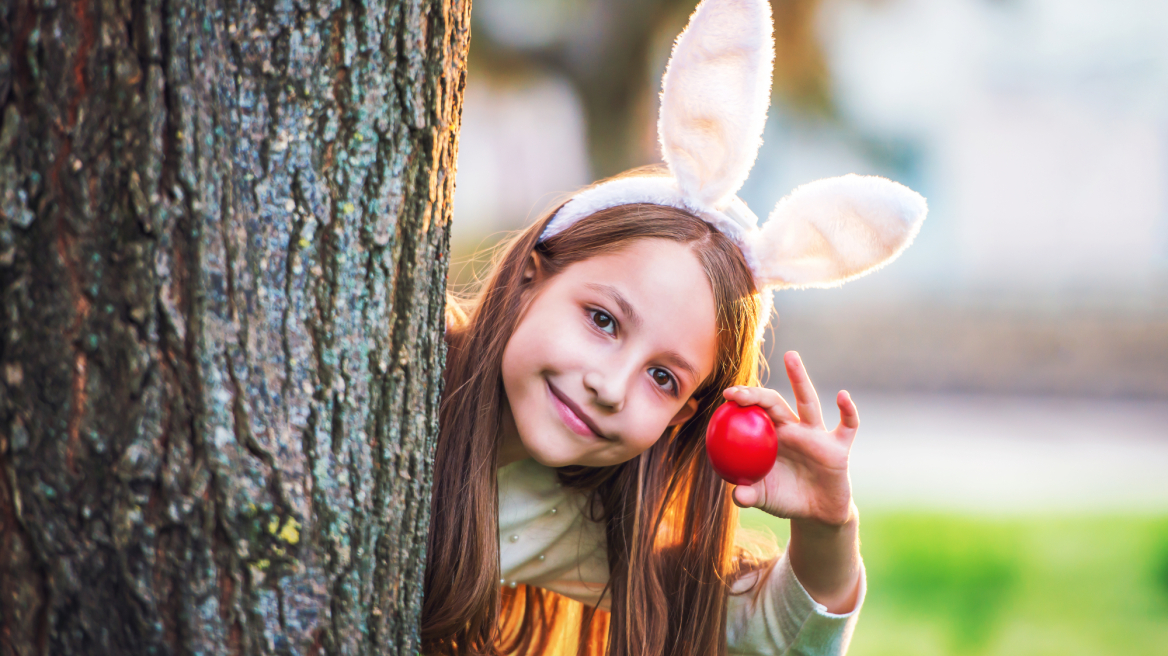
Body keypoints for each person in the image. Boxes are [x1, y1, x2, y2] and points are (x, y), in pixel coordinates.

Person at [421, 1, 927, 654]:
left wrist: (828, 526)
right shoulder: (406, 368)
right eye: (603, 320)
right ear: (530, 276)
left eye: (662, 377)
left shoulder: (572, 522)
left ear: (684, 415)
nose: (609, 387)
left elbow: (770, 639)